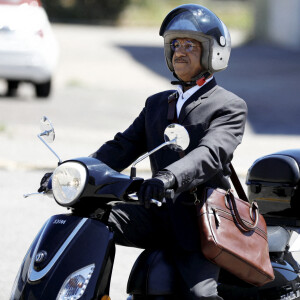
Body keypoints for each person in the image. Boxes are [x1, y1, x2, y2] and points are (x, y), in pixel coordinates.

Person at [40, 4, 247, 299]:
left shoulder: (229, 105)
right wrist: (73, 172)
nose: (179, 51)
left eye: (190, 44)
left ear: (213, 52)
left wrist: (166, 178)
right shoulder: (156, 104)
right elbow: (121, 148)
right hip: (156, 214)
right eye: (175, 44)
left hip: (199, 224)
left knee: (201, 295)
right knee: (89, 218)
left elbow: (210, 153)